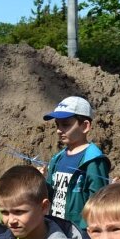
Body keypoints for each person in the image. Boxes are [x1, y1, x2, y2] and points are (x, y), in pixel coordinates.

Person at [43, 96, 110, 231]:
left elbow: (97, 201)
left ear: (85, 126)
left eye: (66, 124)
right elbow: (50, 193)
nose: (58, 130)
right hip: (55, 228)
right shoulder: (57, 158)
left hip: (79, 232)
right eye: (57, 124)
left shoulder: (93, 160)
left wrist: (87, 236)